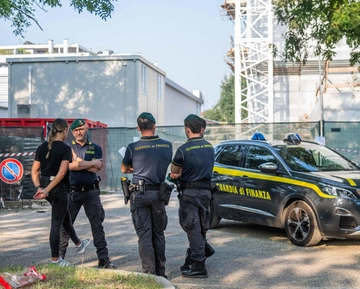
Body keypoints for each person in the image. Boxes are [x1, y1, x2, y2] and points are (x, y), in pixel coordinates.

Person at [31, 118, 91, 267]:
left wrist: (40, 187)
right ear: (65, 131)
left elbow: (34, 171)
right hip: (58, 188)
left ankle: (78, 244)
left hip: (46, 184)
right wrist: (46, 190)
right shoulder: (65, 149)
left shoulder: (42, 147)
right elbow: (62, 173)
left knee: (64, 216)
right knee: (56, 223)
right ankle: (55, 260)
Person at [121, 112, 173, 279]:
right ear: (154, 125)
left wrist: (138, 168)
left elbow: (124, 169)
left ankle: (149, 275)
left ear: (138, 128)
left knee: (144, 235)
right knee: (158, 233)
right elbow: (165, 164)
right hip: (159, 194)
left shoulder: (132, 147)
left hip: (139, 194)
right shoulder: (167, 145)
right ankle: (161, 272)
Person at [59, 118, 115, 269]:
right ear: (72, 132)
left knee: (97, 226)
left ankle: (103, 260)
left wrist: (78, 164)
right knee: (65, 227)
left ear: (86, 129)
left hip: (91, 192)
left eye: (81, 129)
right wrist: (89, 163)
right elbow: (70, 166)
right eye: (76, 130)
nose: (79, 132)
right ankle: (58, 259)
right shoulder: (66, 147)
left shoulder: (95, 147)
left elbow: (96, 169)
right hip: (72, 193)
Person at [170, 114, 215, 278]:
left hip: (190, 193)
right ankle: (200, 252)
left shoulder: (183, 150)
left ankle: (199, 265)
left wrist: (180, 173)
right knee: (201, 226)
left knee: (192, 227)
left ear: (187, 129)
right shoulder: (210, 147)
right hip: (206, 193)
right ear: (201, 129)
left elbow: (174, 172)